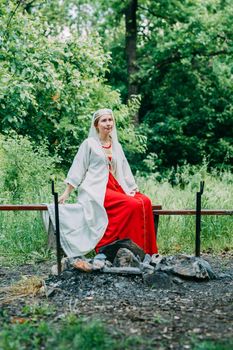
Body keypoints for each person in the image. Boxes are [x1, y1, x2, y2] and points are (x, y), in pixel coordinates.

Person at [57, 108, 158, 259]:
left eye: (110, 120)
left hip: (115, 186)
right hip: (96, 188)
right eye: (104, 120)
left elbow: (124, 169)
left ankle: (145, 251)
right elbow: (78, 167)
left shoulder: (115, 144)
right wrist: (67, 192)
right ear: (96, 125)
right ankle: (118, 246)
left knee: (145, 201)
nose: (108, 123)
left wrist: (132, 188)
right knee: (132, 205)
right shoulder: (89, 144)